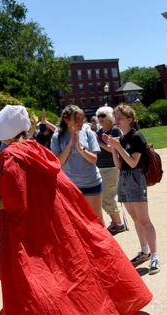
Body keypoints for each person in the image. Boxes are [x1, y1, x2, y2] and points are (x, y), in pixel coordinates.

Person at [0, 105, 152, 315]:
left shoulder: (11, 156)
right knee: (64, 271)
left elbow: (16, 198)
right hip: (52, 219)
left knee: (32, 277)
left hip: (27, 227)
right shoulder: (36, 149)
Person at [102, 104, 160, 274]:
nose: (116, 120)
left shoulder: (136, 137)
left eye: (119, 117)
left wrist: (118, 146)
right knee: (135, 218)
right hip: (124, 179)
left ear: (130, 119)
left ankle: (155, 256)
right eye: (115, 117)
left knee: (144, 220)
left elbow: (133, 163)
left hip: (136, 179)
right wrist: (114, 147)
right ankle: (144, 251)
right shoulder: (122, 138)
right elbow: (119, 165)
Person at [51, 105, 104, 225]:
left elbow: (94, 159)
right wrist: (70, 145)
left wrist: (81, 149)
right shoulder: (57, 137)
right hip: (70, 186)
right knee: (77, 223)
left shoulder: (88, 133)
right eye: (77, 119)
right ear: (66, 120)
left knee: (97, 220)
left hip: (91, 183)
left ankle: (105, 244)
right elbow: (58, 163)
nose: (81, 122)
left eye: (82, 119)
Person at [96, 106, 127, 235]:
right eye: (99, 116)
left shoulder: (115, 131)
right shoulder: (98, 132)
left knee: (107, 197)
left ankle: (118, 223)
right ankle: (115, 222)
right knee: (102, 197)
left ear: (109, 117)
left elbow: (114, 149)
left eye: (103, 115)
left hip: (112, 168)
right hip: (100, 168)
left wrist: (101, 144)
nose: (100, 118)